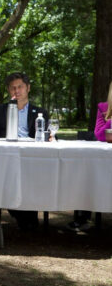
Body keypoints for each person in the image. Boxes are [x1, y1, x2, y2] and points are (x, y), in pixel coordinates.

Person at [0, 72, 49, 230]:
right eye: (12, 88)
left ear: (28, 88)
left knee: (31, 177)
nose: (16, 91)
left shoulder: (40, 113)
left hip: (32, 159)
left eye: (20, 87)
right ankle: (25, 217)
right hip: (6, 158)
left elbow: (48, 136)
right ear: (8, 90)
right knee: (10, 177)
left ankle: (26, 216)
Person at [66, 80, 112, 231]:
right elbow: (99, 135)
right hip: (104, 159)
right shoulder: (103, 107)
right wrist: (110, 119)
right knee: (90, 171)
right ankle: (83, 217)